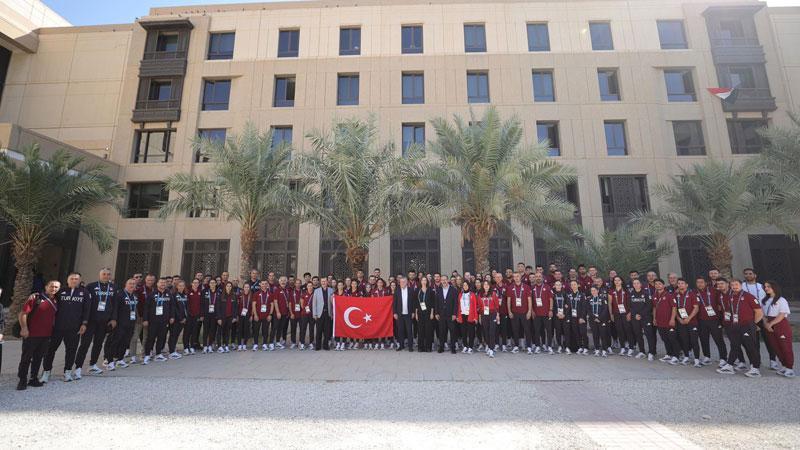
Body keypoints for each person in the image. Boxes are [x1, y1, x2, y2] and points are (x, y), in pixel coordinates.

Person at [42, 273, 90, 383]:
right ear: (67, 280)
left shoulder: (84, 293)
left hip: (74, 328)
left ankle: (67, 372)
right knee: (50, 350)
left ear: (79, 281)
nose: (74, 280)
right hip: (57, 327)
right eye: (72, 278)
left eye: (76, 279)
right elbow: (50, 300)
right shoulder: (61, 291)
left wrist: (84, 324)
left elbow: (87, 309)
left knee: (71, 351)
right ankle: (46, 372)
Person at [16, 280, 59, 390]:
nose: (54, 289)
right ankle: (22, 380)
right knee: (26, 358)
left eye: (56, 287)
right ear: (46, 287)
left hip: (46, 335)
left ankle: (33, 378)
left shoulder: (56, 300)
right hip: (31, 334)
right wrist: (24, 328)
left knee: (38, 358)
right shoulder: (36, 298)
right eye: (52, 286)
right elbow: (23, 313)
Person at [717, 278, 763, 378]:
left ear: (741, 285)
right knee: (735, 345)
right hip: (735, 325)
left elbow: (759, 312)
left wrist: (753, 324)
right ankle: (729, 366)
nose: (734, 287)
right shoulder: (731, 297)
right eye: (732, 285)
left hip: (747, 325)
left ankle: (755, 368)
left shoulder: (748, 296)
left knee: (750, 346)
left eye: (736, 284)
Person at [75, 268, 116, 376]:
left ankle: (92, 364)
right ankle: (78, 367)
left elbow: (115, 304)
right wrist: (83, 320)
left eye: (108, 274)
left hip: (104, 321)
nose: (106, 276)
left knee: (98, 344)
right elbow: (85, 303)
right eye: (104, 274)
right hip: (91, 320)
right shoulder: (91, 286)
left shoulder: (113, 287)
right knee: (85, 344)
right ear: (99, 275)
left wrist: (113, 319)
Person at [744, 268, 777, 370]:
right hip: (750, 318)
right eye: (746, 274)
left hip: (763, 317)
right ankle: (756, 361)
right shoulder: (742, 286)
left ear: (755, 275)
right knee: (754, 341)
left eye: (750, 273)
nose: (748, 275)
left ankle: (773, 360)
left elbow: (769, 299)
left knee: (768, 340)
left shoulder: (762, 287)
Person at [761, 281, 794, 377]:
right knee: (776, 347)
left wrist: (771, 324)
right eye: (765, 287)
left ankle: (789, 368)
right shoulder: (765, 300)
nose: (766, 288)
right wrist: (766, 324)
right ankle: (784, 366)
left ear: (774, 287)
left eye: (768, 286)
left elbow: (782, 314)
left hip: (780, 324)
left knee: (785, 347)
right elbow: (763, 314)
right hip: (768, 324)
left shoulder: (781, 300)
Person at [695, 276, 727, 367]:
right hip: (701, 321)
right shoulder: (694, 292)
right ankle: (707, 357)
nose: (700, 284)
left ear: (706, 283)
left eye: (701, 282)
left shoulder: (714, 291)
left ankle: (723, 358)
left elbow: (721, 302)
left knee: (718, 339)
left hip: (714, 320)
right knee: (704, 339)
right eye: (698, 282)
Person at [142, 278, 174, 364]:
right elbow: (146, 308)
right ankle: (147, 354)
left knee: (161, 337)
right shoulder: (152, 294)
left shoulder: (169, 294)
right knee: (150, 338)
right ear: (157, 284)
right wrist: (145, 319)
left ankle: (158, 354)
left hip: (164, 320)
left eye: (164, 282)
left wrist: (172, 317)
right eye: (161, 282)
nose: (163, 284)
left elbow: (172, 306)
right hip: (153, 320)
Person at [108, 278, 138, 370]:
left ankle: (120, 359)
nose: (132, 285)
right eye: (130, 283)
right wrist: (114, 319)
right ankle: (109, 361)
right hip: (120, 323)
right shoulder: (120, 294)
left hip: (131, 323)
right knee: (115, 341)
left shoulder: (134, 296)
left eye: (133, 284)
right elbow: (115, 308)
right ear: (126, 284)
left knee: (125, 342)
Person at [673, 278, 701, 367]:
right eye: (679, 283)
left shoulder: (692, 294)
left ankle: (697, 359)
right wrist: (679, 319)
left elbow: (696, 308)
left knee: (694, 341)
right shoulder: (675, 295)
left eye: (682, 283)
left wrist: (689, 318)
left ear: (686, 285)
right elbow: (674, 309)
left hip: (692, 321)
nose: (680, 285)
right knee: (684, 340)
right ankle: (686, 356)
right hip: (681, 322)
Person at [652, 279, 679, 365]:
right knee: (665, 339)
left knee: (672, 338)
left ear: (663, 285)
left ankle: (676, 356)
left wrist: (672, 319)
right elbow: (654, 308)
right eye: (656, 284)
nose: (657, 285)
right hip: (660, 322)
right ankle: (669, 354)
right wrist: (654, 318)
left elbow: (674, 307)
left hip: (669, 322)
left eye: (659, 284)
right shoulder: (654, 296)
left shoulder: (669, 295)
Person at [628, 279, 655, 360]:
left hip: (646, 317)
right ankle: (642, 351)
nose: (636, 285)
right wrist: (635, 314)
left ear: (640, 284)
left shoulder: (646, 293)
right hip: (635, 318)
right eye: (634, 283)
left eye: (637, 283)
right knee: (638, 335)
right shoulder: (631, 294)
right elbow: (630, 306)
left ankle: (651, 352)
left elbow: (649, 306)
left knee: (649, 335)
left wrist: (640, 314)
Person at [506, 272, 533, 354]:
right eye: (514, 276)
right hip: (514, 312)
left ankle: (529, 347)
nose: (516, 278)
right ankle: (516, 346)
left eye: (517, 276)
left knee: (527, 330)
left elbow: (529, 300)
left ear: (520, 277)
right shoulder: (510, 287)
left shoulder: (526, 287)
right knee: (515, 330)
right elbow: (508, 301)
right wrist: (509, 311)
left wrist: (529, 311)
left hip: (525, 312)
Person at [609, 276, 633, 357]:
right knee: (620, 331)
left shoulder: (626, 291)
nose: (617, 282)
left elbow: (630, 303)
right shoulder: (611, 291)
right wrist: (611, 314)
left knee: (628, 330)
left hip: (626, 313)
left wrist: (629, 313)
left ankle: (631, 347)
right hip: (616, 314)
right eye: (615, 280)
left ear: (622, 281)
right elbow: (610, 303)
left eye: (618, 280)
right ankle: (622, 347)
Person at [530, 272, 553, 354]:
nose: (538, 278)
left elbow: (551, 299)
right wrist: (532, 311)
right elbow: (530, 300)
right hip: (536, 313)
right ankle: (537, 346)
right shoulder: (532, 288)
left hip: (546, 313)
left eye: (539, 276)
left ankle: (549, 346)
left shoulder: (547, 287)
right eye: (536, 276)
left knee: (549, 330)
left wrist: (550, 310)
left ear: (542, 278)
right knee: (536, 330)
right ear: (534, 278)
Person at [393, 276, 417, 352]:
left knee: (409, 331)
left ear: (407, 282)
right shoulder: (397, 291)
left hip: (408, 314)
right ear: (399, 283)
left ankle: (410, 347)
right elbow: (394, 303)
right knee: (400, 331)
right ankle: (401, 346)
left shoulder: (411, 290)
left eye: (404, 282)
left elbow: (414, 302)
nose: (402, 283)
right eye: (401, 282)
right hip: (399, 314)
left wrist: (413, 312)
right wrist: (395, 313)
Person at [586, 285, 610, 357]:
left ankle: (604, 350)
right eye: (592, 291)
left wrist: (599, 318)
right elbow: (588, 310)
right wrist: (594, 318)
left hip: (601, 320)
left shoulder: (603, 299)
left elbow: (605, 309)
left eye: (594, 290)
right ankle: (597, 349)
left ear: (598, 291)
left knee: (603, 335)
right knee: (595, 335)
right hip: (593, 320)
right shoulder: (589, 299)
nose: (593, 292)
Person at [478, 280, 500, 358]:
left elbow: (497, 306)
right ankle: (488, 345)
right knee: (486, 332)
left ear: (489, 286)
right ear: (483, 286)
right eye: (484, 284)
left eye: (487, 284)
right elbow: (479, 307)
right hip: (484, 315)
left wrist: (498, 315)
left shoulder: (493, 294)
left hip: (492, 314)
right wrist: (480, 317)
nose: (486, 286)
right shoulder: (480, 295)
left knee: (492, 331)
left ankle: (491, 349)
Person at [566, 280, 588, 355]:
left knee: (583, 332)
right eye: (572, 285)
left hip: (581, 317)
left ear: (578, 285)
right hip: (573, 317)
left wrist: (582, 317)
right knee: (576, 333)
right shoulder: (569, 295)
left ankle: (586, 348)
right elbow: (568, 307)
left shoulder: (582, 295)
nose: (573, 286)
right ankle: (580, 347)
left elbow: (584, 307)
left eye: (574, 284)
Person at [435, 277, 457, 354]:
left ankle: (453, 348)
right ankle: (441, 347)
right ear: (441, 281)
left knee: (452, 331)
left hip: (450, 314)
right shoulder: (439, 290)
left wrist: (454, 314)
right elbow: (436, 302)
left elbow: (455, 303)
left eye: (445, 280)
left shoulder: (453, 290)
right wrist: (436, 313)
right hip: (441, 314)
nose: (444, 281)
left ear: (448, 280)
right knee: (442, 332)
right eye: (442, 280)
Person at [455, 280, 478, 353]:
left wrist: (475, 317)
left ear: (469, 286)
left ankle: (470, 347)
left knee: (471, 332)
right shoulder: (460, 295)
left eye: (466, 285)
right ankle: (465, 346)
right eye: (464, 285)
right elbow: (458, 306)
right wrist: (458, 316)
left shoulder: (472, 294)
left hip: (470, 315)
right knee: (463, 332)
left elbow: (475, 306)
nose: (465, 286)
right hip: (462, 315)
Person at [168, 280, 188, 359]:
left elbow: (186, 307)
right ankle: (171, 351)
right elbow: (174, 308)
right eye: (180, 286)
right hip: (177, 319)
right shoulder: (173, 295)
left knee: (176, 335)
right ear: (176, 286)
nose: (181, 287)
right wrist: (180, 318)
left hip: (183, 319)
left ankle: (173, 350)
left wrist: (185, 318)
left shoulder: (184, 295)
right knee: (173, 335)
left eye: (183, 285)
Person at [216, 281, 238, 353]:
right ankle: (219, 346)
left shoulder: (234, 296)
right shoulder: (220, 296)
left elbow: (235, 307)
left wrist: (234, 317)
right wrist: (219, 318)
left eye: (230, 286)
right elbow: (218, 308)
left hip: (230, 317)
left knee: (227, 332)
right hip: (222, 317)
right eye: (227, 286)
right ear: (225, 287)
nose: (229, 287)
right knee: (220, 332)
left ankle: (226, 345)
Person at [312, 278, 334, 351]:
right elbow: (314, 303)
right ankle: (318, 346)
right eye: (322, 281)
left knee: (327, 331)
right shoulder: (316, 291)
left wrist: (332, 314)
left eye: (325, 281)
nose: (323, 282)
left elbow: (333, 303)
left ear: (327, 282)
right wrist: (314, 314)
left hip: (328, 313)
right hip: (319, 314)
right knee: (319, 330)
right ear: (320, 282)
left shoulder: (331, 290)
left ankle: (325, 346)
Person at [269, 276, 290, 351]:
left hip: (285, 313)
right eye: (282, 280)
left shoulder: (287, 290)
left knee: (280, 328)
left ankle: (277, 341)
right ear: (279, 282)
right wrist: (277, 312)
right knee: (274, 328)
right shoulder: (277, 290)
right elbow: (275, 301)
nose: (283, 282)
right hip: (278, 313)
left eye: (284, 280)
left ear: (286, 282)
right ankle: (271, 343)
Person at [415, 276, 435, 352]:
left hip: (428, 312)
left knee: (428, 330)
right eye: (422, 280)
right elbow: (416, 303)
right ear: (420, 282)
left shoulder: (430, 290)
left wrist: (432, 313)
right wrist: (416, 314)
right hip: (420, 312)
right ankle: (420, 347)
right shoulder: (418, 290)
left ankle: (428, 347)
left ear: (427, 282)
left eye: (425, 280)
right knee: (420, 330)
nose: (424, 281)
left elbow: (433, 303)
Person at [292, 281, 313, 350]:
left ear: (312, 287)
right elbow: (302, 304)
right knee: (303, 329)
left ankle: (311, 343)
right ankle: (302, 343)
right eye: (309, 286)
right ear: (307, 287)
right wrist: (306, 309)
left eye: (311, 286)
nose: (310, 287)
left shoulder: (314, 294)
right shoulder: (303, 294)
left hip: (312, 314)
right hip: (304, 314)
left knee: (311, 329)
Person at [201, 279, 221, 354]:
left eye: (214, 283)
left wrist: (218, 316)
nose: (212, 284)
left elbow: (220, 305)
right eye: (211, 283)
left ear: (216, 284)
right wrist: (202, 314)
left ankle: (209, 345)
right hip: (206, 314)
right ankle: (205, 346)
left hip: (214, 315)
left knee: (212, 331)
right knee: (205, 330)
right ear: (209, 284)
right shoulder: (204, 292)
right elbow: (202, 304)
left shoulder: (218, 293)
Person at [252, 280, 272, 351]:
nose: (264, 285)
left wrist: (270, 314)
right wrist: (255, 315)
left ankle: (264, 344)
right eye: (262, 284)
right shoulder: (256, 294)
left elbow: (272, 305)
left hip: (266, 316)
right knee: (256, 330)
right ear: (260, 285)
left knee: (265, 330)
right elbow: (253, 305)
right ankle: (255, 344)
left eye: (265, 284)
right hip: (258, 316)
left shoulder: (270, 294)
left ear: (267, 285)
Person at [550, 280, 569, 353]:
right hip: (556, 316)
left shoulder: (565, 294)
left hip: (564, 316)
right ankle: (559, 346)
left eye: (559, 285)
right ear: (554, 286)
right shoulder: (553, 294)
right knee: (558, 332)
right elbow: (552, 306)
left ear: (561, 286)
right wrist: (556, 313)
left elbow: (568, 305)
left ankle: (567, 346)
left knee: (566, 331)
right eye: (556, 285)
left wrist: (564, 314)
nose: (558, 286)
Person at [186, 278, 203, 354]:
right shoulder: (188, 292)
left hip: (197, 315)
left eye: (197, 283)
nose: (196, 284)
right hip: (189, 315)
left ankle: (192, 346)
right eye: (194, 282)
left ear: (199, 284)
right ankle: (186, 347)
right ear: (192, 283)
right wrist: (188, 313)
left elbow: (202, 304)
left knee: (194, 331)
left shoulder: (200, 292)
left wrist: (201, 315)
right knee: (187, 332)